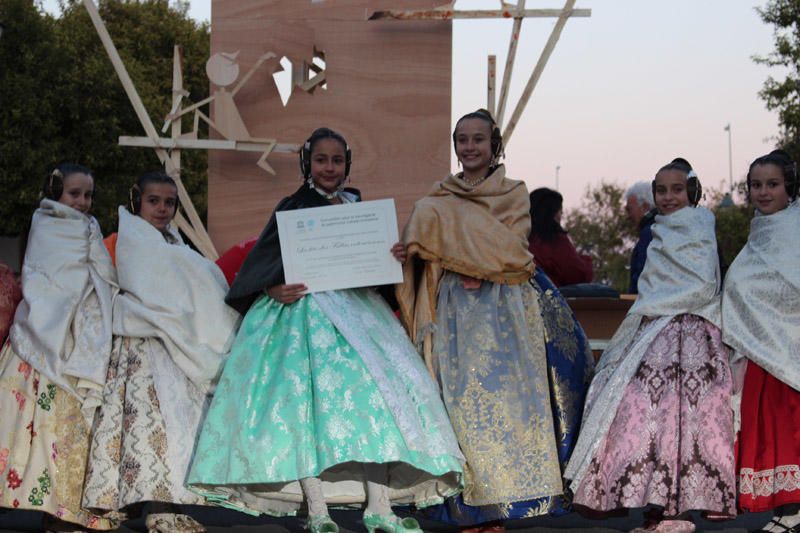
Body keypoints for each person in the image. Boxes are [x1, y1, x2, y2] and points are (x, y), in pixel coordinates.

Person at [186, 127, 464, 533]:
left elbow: (374, 274)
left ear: (346, 164)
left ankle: (379, 506)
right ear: (307, 163)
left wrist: (392, 257)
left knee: (376, 401)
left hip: (359, 316)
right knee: (304, 407)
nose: (329, 167)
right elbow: (261, 263)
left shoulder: (357, 206)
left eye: (336, 160)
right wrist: (271, 287)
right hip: (301, 318)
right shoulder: (292, 206)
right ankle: (316, 508)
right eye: (321, 159)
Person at [398, 110, 593, 530]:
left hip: (502, 309)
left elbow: (510, 248)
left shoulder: (513, 192)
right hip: (453, 309)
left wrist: (470, 257)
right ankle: (464, 503)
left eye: (478, 140)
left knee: (504, 404)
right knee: (459, 401)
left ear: (494, 145)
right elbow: (427, 242)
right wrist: (411, 254)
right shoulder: (439, 197)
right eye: (462, 140)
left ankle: (506, 499)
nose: (470, 147)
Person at [565, 158, 735, 531]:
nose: (669, 197)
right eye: (661, 190)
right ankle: (656, 504)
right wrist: (651, 312)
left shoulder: (701, 226)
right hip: (652, 331)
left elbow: (705, 283)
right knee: (640, 415)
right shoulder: (656, 232)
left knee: (687, 421)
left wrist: (661, 308)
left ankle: (680, 510)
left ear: (691, 191)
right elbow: (652, 285)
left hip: (693, 333)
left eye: (676, 189)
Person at [82, 172, 240, 533]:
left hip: (168, 342)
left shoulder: (172, 242)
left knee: (171, 426)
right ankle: (155, 505)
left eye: (169, 202)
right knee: (146, 423)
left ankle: (160, 501)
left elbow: (192, 283)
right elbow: (144, 282)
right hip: (142, 344)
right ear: (137, 200)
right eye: (154, 201)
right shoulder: (132, 241)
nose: (162, 208)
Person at [0, 164, 117, 530]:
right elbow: (46, 280)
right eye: (74, 193)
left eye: (88, 195)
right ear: (55, 193)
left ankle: (68, 511)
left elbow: (103, 277)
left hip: (83, 338)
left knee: (72, 431)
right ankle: (54, 510)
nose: (82, 202)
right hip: (44, 341)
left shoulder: (92, 228)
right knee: (40, 431)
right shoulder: (46, 224)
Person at [722, 150, 800, 531]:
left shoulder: (796, 229)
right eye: (756, 185)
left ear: (790, 187)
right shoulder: (758, 232)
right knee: (772, 432)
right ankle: (787, 511)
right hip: (761, 353)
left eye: (772, 184)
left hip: (792, 351)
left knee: (791, 428)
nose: (764, 192)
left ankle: (793, 513)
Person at [528, 187, 593, 287]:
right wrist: (587, 261)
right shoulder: (554, 241)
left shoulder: (522, 240)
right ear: (552, 214)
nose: (561, 215)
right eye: (560, 211)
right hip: (554, 299)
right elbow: (578, 275)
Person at [624, 181, 656, 294]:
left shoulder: (649, 234)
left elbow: (642, 278)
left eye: (629, 209)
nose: (628, 216)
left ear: (645, 207)